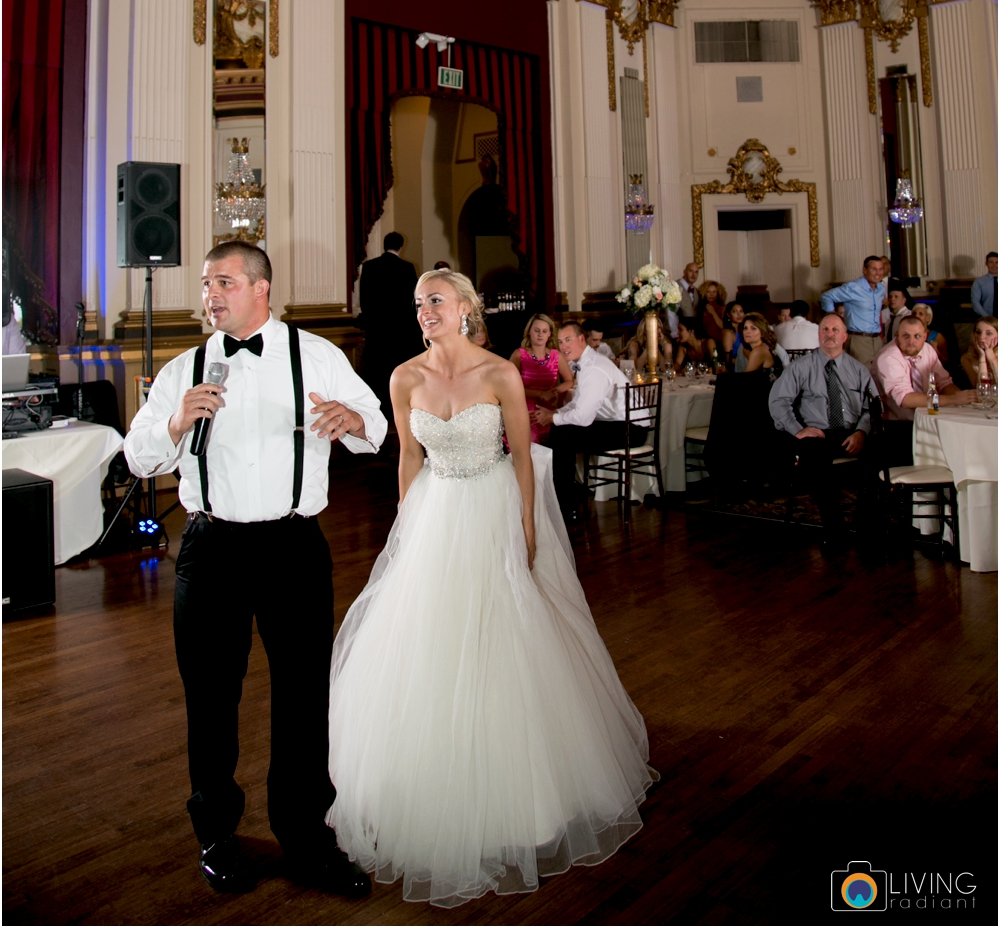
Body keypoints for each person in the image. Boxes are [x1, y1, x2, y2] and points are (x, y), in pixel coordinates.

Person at [325, 271, 656, 907]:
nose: (426, 312)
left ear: (468, 310)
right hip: (436, 512)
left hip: (493, 502)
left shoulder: (498, 374)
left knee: (503, 630)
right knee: (431, 639)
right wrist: (404, 531)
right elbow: (409, 459)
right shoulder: (404, 377)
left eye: (437, 302)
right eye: (420, 303)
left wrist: (526, 527)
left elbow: (524, 454)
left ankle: (523, 797)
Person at [124, 241, 386, 896]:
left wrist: (353, 419)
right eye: (207, 284)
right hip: (210, 549)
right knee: (210, 697)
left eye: (225, 282)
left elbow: (375, 426)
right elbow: (137, 454)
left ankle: (307, 837)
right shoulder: (183, 367)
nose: (211, 293)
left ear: (261, 289)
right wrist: (176, 423)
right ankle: (216, 834)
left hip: (294, 549)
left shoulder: (317, 356)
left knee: (303, 697)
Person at [768, 314, 879, 550]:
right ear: (819, 335)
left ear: (845, 337)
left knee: (882, 455)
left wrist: (861, 431)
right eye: (825, 330)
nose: (830, 334)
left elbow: (873, 407)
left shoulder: (859, 370)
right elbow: (778, 401)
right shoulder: (800, 367)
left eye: (835, 330)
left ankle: (866, 527)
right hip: (817, 433)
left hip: (851, 432)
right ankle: (835, 529)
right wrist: (798, 430)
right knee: (814, 459)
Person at [534, 322, 639, 523]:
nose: (563, 346)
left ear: (581, 339)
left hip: (629, 429)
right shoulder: (587, 363)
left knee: (563, 434)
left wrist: (553, 418)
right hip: (616, 424)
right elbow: (578, 404)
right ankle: (563, 502)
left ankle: (564, 507)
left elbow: (583, 418)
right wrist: (556, 412)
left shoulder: (594, 368)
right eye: (561, 341)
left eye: (568, 340)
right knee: (561, 430)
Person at [358, 232, 423, 420]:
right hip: (401, 335)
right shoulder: (407, 268)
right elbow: (414, 302)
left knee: (378, 377)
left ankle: (379, 415)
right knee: (398, 375)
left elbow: (364, 302)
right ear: (401, 247)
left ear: (384, 245)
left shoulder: (369, 267)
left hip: (377, 334)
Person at [874, 316, 973, 422]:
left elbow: (943, 383)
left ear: (925, 336)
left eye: (917, 336)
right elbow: (905, 399)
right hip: (896, 425)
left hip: (927, 416)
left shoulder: (928, 350)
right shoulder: (888, 358)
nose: (911, 342)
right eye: (906, 336)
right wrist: (952, 400)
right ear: (897, 335)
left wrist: (963, 399)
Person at [511, 312, 574, 442]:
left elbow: (569, 381)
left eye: (544, 331)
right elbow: (510, 387)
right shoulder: (519, 355)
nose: (540, 334)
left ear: (550, 333)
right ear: (529, 331)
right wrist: (540, 393)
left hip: (548, 409)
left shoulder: (556, 356)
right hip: (524, 410)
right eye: (537, 330)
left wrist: (554, 392)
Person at [820, 256, 887, 367]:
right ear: (864, 270)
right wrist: (833, 317)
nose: (878, 273)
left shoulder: (881, 289)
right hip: (859, 340)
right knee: (862, 379)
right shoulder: (854, 287)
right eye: (874, 269)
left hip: (877, 340)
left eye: (880, 269)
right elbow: (826, 297)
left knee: (877, 378)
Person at [960, 315, 998, 390]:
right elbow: (982, 390)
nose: (981, 337)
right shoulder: (967, 358)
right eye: (978, 332)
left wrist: (992, 359)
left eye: (989, 333)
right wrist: (982, 358)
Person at [911, 303, 948, 367]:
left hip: (931, 372)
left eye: (921, 314)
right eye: (914, 313)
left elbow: (945, 360)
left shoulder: (937, 337)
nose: (916, 316)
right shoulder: (907, 335)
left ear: (928, 318)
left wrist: (935, 350)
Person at [881, 279, 913, 344]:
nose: (892, 299)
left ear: (904, 300)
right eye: (890, 297)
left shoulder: (909, 316)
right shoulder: (889, 318)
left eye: (896, 297)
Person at [697, 280, 727, 347]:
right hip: (706, 341)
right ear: (704, 293)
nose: (711, 294)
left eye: (714, 292)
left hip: (721, 340)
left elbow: (723, 326)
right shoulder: (700, 309)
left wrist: (713, 312)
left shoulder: (723, 308)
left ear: (718, 293)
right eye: (708, 292)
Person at [971, 252, 999, 319]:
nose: (994, 265)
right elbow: (975, 302)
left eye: (997, 262)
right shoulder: (979, 282)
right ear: (986, 264)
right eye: (991, 262)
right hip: (986, 319)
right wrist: (987, 318)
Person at [721, 300, 745, 370]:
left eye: (741, 311)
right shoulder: (728, 333)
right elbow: (728, 360)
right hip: (734, 371)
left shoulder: (743, 330)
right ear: (728, 315)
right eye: (735, 312)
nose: (739, 314)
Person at [676, 261, 701, 326]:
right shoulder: (675, 287)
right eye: (691, 271)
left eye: (696, 272)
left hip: (690, 332)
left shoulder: (696, 291)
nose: (693, 274)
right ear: (684, 272)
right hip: (677, 331)